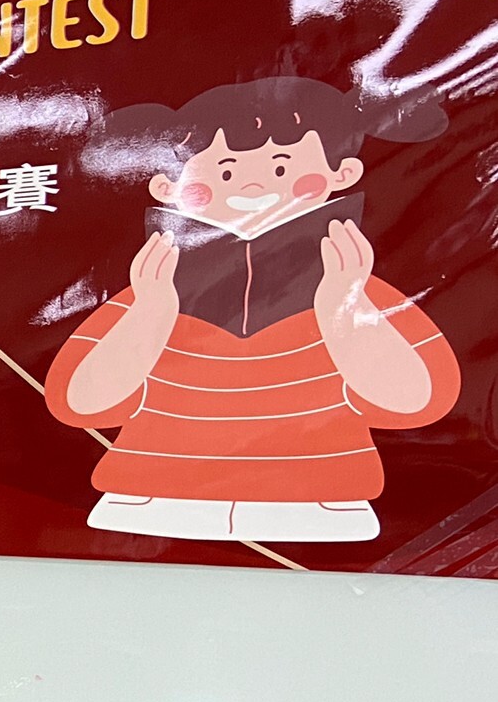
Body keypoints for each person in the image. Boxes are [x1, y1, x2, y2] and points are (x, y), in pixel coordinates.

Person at [45, 76, 457, 544]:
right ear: (166, 185)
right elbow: (78, 404)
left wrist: (344, 309)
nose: (255, 184)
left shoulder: (353, 285)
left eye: (283, 168)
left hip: (319, 502)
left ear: (342, 175)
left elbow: (418, 403)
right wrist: (150, 315)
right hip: (152, 497)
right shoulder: (152, 289)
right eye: (222, 173)